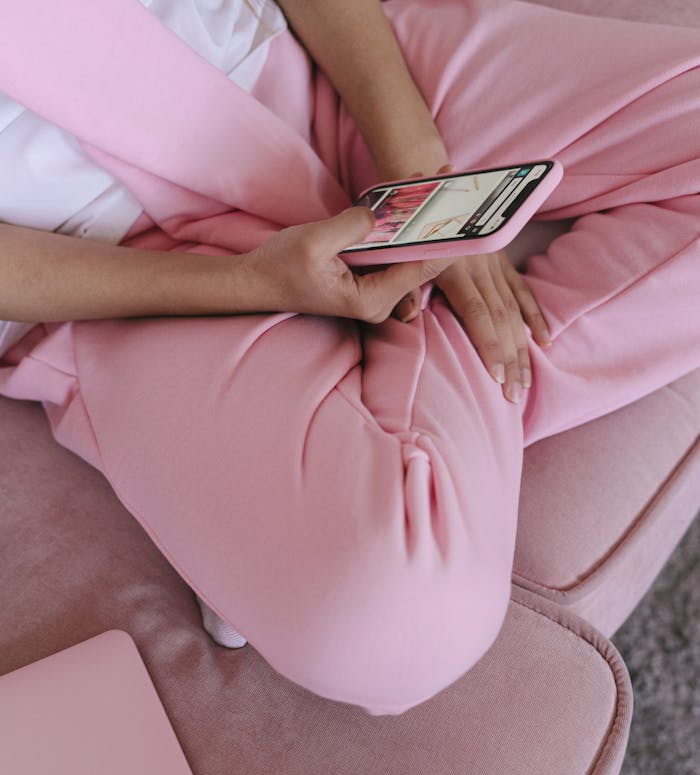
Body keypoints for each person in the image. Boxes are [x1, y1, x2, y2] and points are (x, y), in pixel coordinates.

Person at [0, 0, 698, 715]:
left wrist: (425, 177)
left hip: (303, 63)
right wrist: (249, 285)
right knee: (397, 626)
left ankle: (419, 350)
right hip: (118, 268)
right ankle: (444, 335)